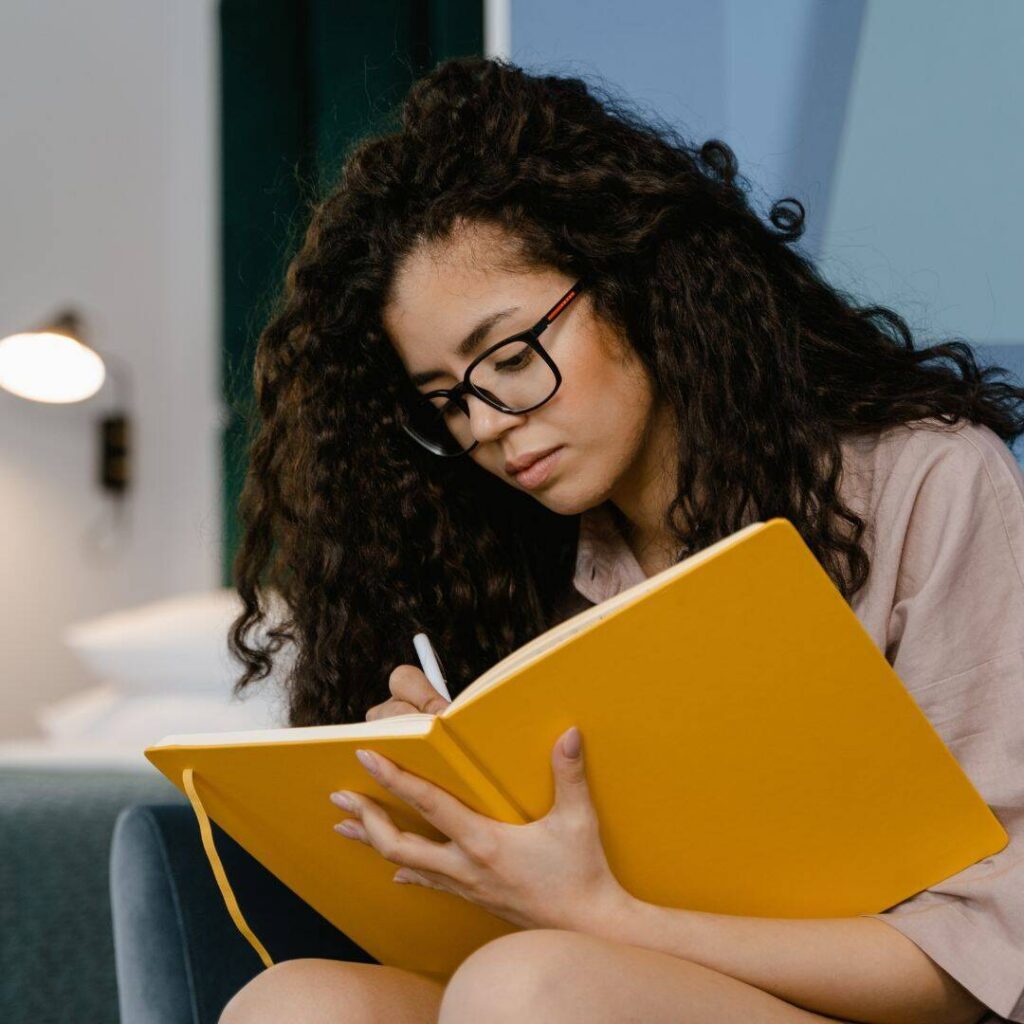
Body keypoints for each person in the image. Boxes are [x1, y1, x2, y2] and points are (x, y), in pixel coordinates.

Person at [220, 55, 1024, 1024]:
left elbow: (977, 962)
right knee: (297, 1002)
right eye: (444, 402)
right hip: (589, 985)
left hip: (880, 1007)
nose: (487, 425)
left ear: (642, 281)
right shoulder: (494, 557)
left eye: (511, 356)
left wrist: (596, 913)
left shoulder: (927, 479)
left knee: (531, 987)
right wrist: (435, 803)